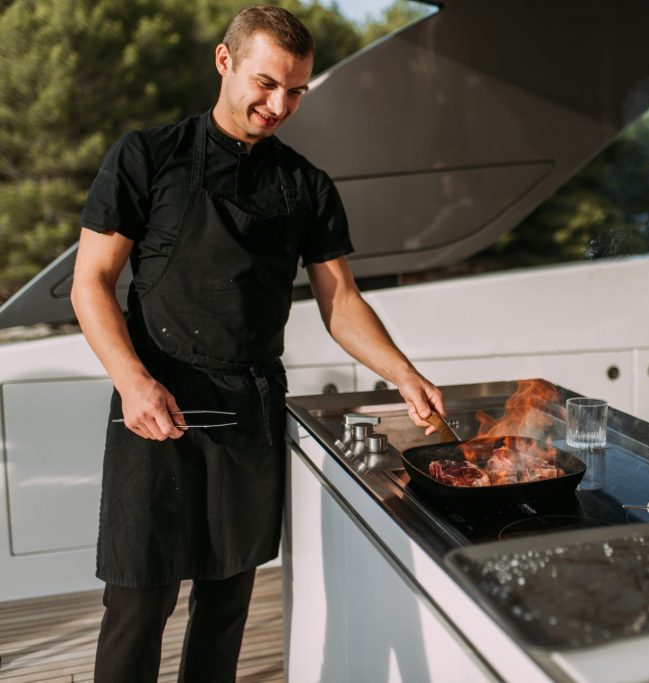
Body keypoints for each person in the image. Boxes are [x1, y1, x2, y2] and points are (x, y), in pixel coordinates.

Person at [70, 6, 444, 681]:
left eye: (296, 90)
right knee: (137, 605)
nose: (279, 105)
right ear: (225, 62)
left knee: (226, 608)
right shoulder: (146, 157)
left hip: (247, 411)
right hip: (152, 401)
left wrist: (404, 373)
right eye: (267, 83)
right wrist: (131, 380)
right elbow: (90, 283)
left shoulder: (306, 186)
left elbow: (341, 302)